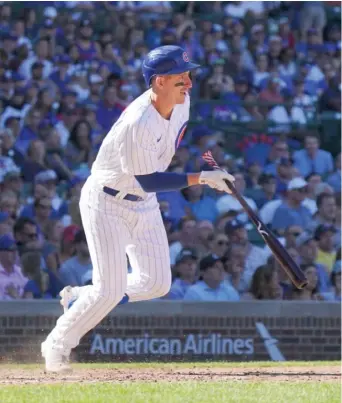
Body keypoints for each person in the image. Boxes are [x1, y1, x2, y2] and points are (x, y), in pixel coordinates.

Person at [41, 45, 235, 372]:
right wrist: (201, 177)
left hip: (142, 204)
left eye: (188, 74)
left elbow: (158, 168)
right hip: (107, 201)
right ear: (158, 81)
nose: (188, 82)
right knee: (110, 289)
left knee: (157, 283)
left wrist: (207, 171)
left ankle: (83, 297)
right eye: (180, 77)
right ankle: (57, 344)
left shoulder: (182, 103)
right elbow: (149, 180)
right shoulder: (138, 121)